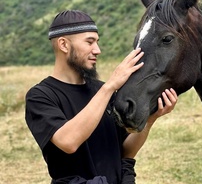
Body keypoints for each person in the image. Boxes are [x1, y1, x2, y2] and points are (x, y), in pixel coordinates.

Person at [25, 10, 178, 184]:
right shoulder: (40, 96)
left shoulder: (102, 91)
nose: (97, 50)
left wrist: (150, 120)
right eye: (89, 42)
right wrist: (110, 86)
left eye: (97, 42)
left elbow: (125, 152)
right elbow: (68, 141)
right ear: (63, 45)